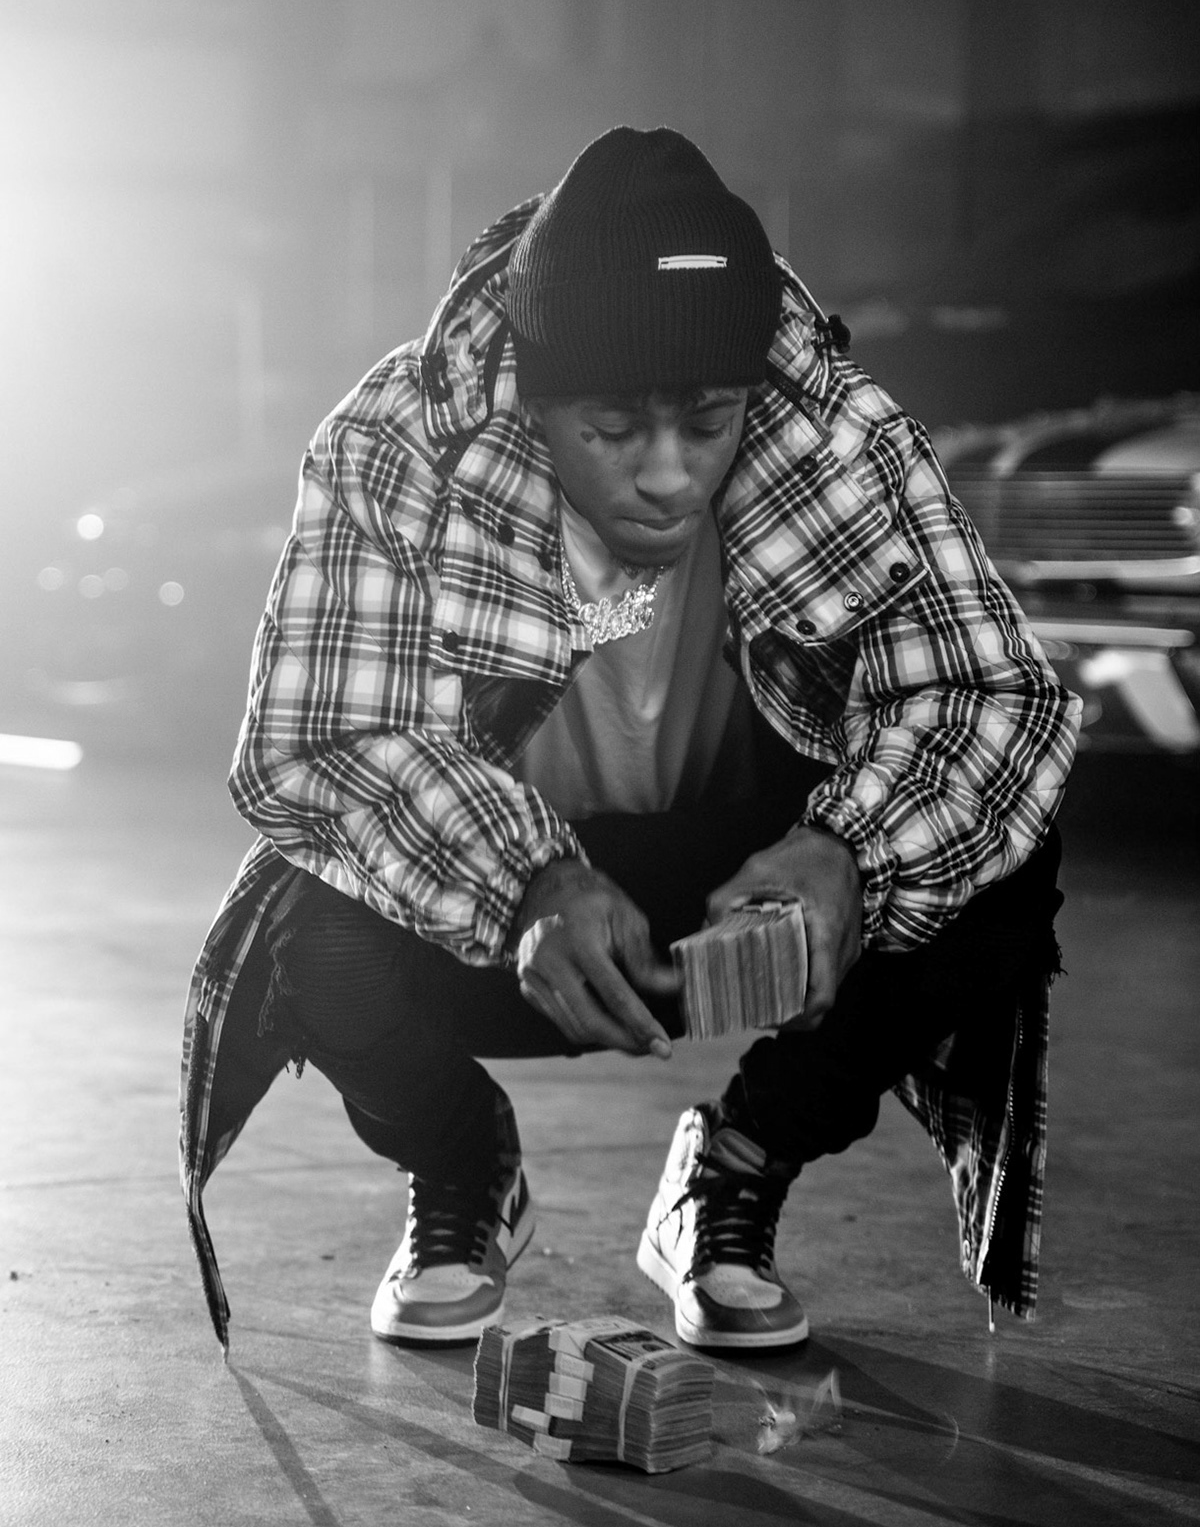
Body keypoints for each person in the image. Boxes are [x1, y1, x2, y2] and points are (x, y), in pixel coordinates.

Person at [180, 127, 1079, 1355]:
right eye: (610, 429)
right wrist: (523, 878)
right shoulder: (400, 437)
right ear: (536, 394)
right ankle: (462, 1165)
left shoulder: (836, 429)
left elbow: (996, 696)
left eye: (707, 422)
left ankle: (734, 1170)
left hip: (745, 886)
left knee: (1003, 865)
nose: (667, 475)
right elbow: (316, 741)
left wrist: (850, 853)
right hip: (508, 909)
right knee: (302, 917)